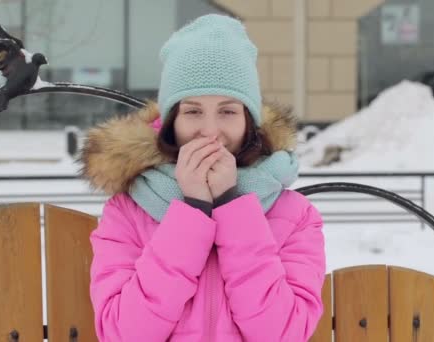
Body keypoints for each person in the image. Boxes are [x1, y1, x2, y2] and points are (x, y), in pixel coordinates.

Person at [81, 14, 326, 341]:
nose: (210, 131)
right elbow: (123, 333)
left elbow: (283, 333)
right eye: (193, 111)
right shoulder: (128, 211)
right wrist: (193, 212)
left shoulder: (296, 216)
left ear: (249, 122)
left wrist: (232, 206)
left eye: (227, 111)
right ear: (171, 122)